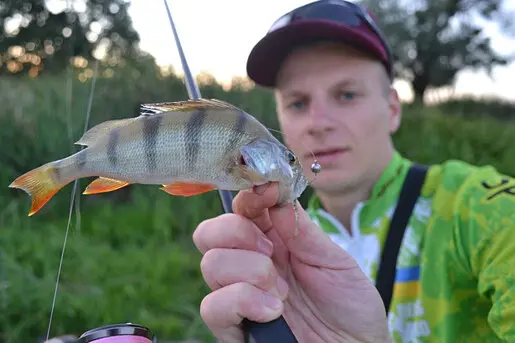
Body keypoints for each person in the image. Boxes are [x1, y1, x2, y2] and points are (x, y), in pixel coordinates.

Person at [192, 0, 515, 342]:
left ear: (392, 109)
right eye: (297, 103)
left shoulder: (483, 207)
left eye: (346, 95)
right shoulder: (275, 242)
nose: (317, 124)